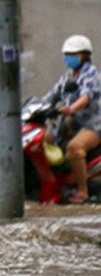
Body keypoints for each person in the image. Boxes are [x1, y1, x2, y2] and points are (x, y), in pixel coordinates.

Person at [46, 34, 101, 203]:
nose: (68, 58)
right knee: (44, 138)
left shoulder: (92, 74)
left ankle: (82, 190)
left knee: (74, 147)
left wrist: (71, 108)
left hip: (93, 125)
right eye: (67, 55)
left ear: (84, 55)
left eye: (73, 55)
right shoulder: (68, 77)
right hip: (71, 126)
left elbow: (86, 97)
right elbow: (51, 96)